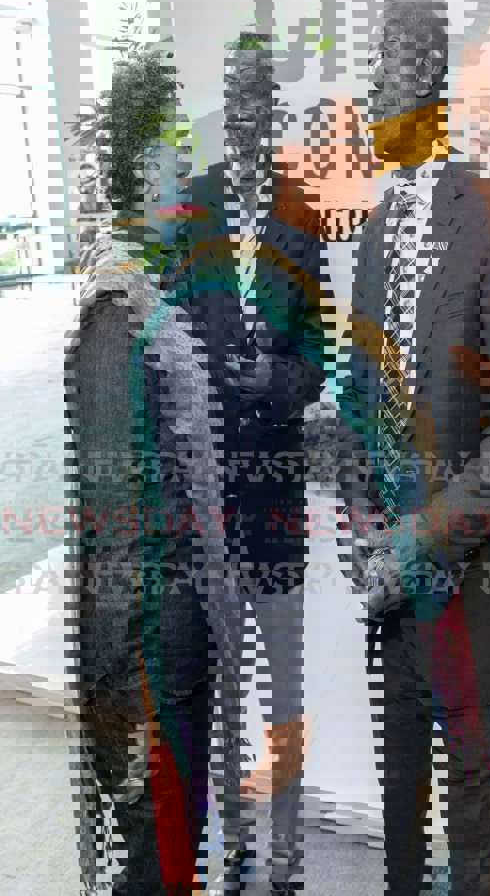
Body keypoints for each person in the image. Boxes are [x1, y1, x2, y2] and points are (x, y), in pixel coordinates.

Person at [336, 0, 490, 896]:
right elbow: (361, 408)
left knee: (468, 845)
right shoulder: (373, 236)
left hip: (459, 587)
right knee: (401, 840)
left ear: (423, 78)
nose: (369, 96)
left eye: (381, 73)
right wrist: (362, 527)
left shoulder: (486, 217)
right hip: (390, 603)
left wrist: (420, 543)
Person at [70, 56, 229, 896]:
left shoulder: (154, 298)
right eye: (170, 158)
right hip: (147, 660)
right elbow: (110, 520)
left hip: (180, 635)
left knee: (177, 846)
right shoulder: (113, 313)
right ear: (133, 171)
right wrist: (118, 699)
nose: (185, 181)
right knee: (153, 858)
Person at [180, 31, 327, 894]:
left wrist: (280, 382)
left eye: (259, 96)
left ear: (273, 110)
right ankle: (234, 849)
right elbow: (169, 343)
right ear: (224, 106)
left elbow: (320, 359)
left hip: (275, 494)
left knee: (284, 690)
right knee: (223, 689)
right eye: (235, 94)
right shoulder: (193, 208)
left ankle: (288, 857)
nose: (245, 111)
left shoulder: (302, 211)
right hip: (209, 496)